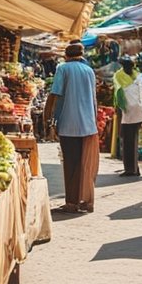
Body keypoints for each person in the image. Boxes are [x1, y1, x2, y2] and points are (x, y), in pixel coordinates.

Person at [46, 42, 99, 213]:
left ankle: (72, 202)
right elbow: (94, 100)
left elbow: (55, 94)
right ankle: (85, 199)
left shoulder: (63, 68)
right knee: (85, 163)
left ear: (66, 55)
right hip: (88, 124)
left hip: (69, 123)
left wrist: (49, 118)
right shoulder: (89, 71)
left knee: (70, 162)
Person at [110, 54, 136, 160]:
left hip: (132, 107)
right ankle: (121, 152)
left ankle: (126, 154)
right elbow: (119, 92)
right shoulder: (119, 75)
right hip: (124, 106)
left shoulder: (135, 75)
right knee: (124, 131)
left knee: (128, 131)